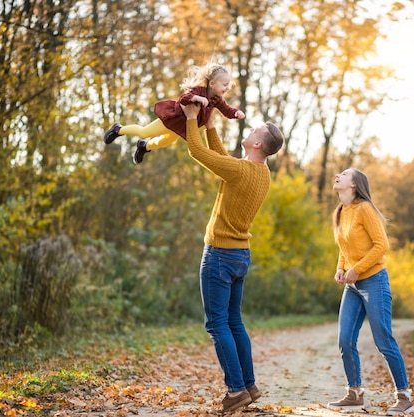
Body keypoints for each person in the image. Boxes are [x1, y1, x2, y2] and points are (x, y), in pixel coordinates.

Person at [180, 102, 284, 413]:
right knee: (234, 322)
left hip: (220, 255)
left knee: (217, 325)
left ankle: (237, 390)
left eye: (255, 130)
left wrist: (190, 120)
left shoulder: (241, 170)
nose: (250, 129)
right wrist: (209, 125)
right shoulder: (260, 174)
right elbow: (224, 161)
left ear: (256, 143)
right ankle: (249, 385)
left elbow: (198, 153)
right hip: (240, 255)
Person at [327, 168, 414, 416]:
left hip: (374, 281)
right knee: (344, 340)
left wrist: (357, 268)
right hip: (352, 286)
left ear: (355, 184)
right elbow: (345, 247)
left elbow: (381, 245)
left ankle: (404, 397)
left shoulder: (365, 208)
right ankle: (354, 394)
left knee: (383, 340)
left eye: (343, 174)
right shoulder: (341, 212)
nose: (337, 175)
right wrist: (341, 268)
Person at [103, 63, 245, 164]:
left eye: (228, 85)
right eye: (224, 84)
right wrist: (197, 98)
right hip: (172, 119)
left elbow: (227, 109)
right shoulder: (198, 90)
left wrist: (236, 113)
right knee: (144, 132)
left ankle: (144, 146)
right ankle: (118, 129)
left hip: (182, 127)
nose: (227, 88)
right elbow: (183, 99)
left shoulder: (217, 100)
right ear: (212, 84)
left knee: (164, 142)